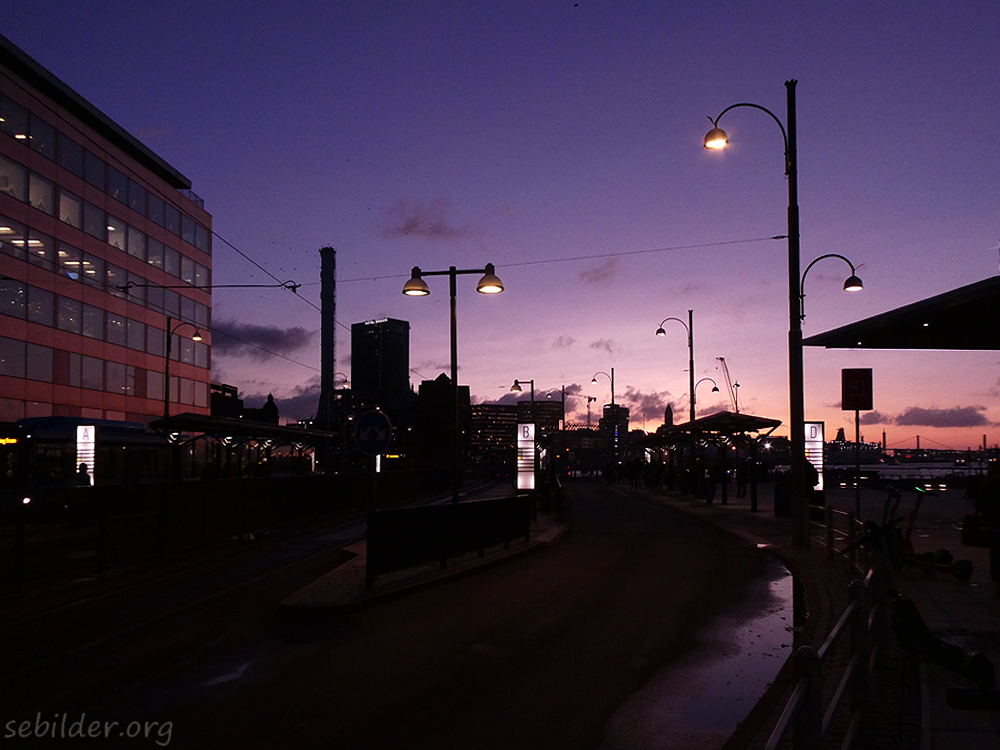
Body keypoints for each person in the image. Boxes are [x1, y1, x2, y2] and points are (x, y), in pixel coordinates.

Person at [975, 462, 1000, 593]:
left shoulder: (988, 483)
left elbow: (979, 504)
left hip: (991, 522)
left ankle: (996, 580)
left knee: (995, 553)